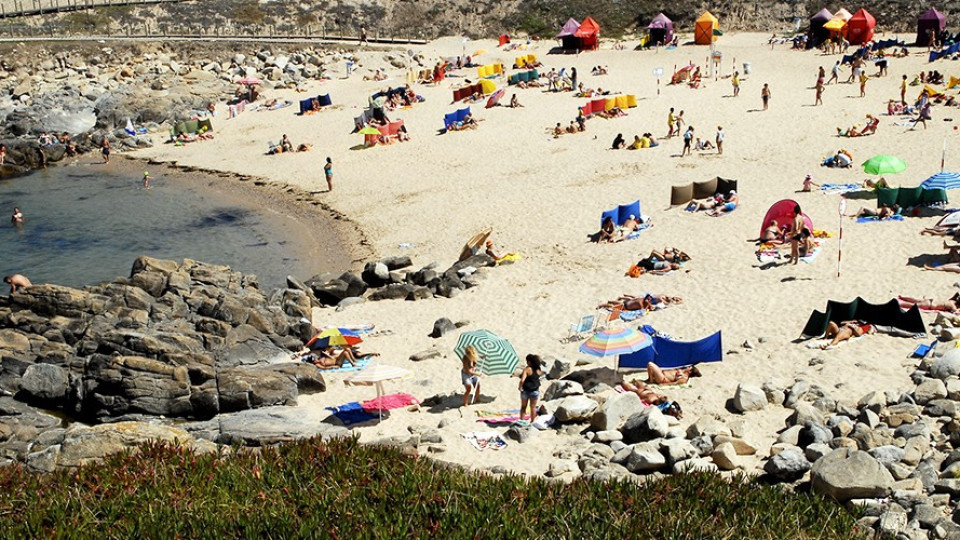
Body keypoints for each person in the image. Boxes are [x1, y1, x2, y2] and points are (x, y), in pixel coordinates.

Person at [518, 354, 542, 422]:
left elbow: (522, 380)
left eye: (527, 361)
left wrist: (520, 387)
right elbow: (536, 377)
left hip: (525, 390)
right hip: (535, 390)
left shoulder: (527, 369)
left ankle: (522, 421)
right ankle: (532, 421)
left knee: (523, 407)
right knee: (533, 407)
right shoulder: (538, 369)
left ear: (529, 362)